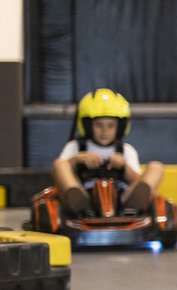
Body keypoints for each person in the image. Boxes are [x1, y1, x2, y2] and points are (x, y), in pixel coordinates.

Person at [52, 88, 166, 217]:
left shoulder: (126, 150)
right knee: (59, 164)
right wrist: (76, 160)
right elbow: (60, 174)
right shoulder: (75, 147)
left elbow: (137, 181)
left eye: (110, 126)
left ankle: (133, 209)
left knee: (156, 167)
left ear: (120, 127)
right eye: (98, 125)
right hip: (86, 196)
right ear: (88, 126)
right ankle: (81, 208)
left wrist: (124, 167)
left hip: (121, 201)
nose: (104, 131)